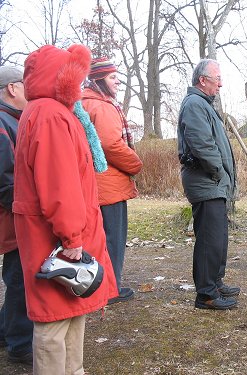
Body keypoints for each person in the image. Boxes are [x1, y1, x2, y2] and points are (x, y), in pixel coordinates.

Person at [13, 44, 118, 374]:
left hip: (63, 232)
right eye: (73, 76)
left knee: (71, 309)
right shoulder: (50, 115)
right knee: (53, 321)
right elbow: (60, 185)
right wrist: (72, 238)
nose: (79, 83)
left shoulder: (50, 112)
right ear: (60, 78)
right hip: (57, 237)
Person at [177, 59, 239, 310]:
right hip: (206, 181)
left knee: (218, 237)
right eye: (217, 79)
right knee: (209, 239)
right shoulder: (194, 104)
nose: (221, 84)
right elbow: (202, 144)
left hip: (213, 182)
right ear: (203, 80)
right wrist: (218, 172)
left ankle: (215, 281)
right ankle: (206, 294)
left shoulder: (203, 105)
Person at [82, 57, 143, 305]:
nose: (117, 81)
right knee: (113, 239)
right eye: (112, 77)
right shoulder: (102, 106)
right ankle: (110, 288)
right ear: (99, 80)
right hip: (108, 185)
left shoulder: (83, 103)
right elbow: (110, 144)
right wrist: (135, 163)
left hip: (92, 183)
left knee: (98, 239)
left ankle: (98, 286)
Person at [0, 66, 33, 365]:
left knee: (18, 274)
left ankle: (5, 331)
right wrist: (26, 211)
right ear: (12, 88)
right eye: (25, 85)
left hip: (14, 213)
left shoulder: (12, 120)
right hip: (12, 216)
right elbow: (5, 178)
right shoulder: (2, 122)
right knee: (19, 277)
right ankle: (20, 344)